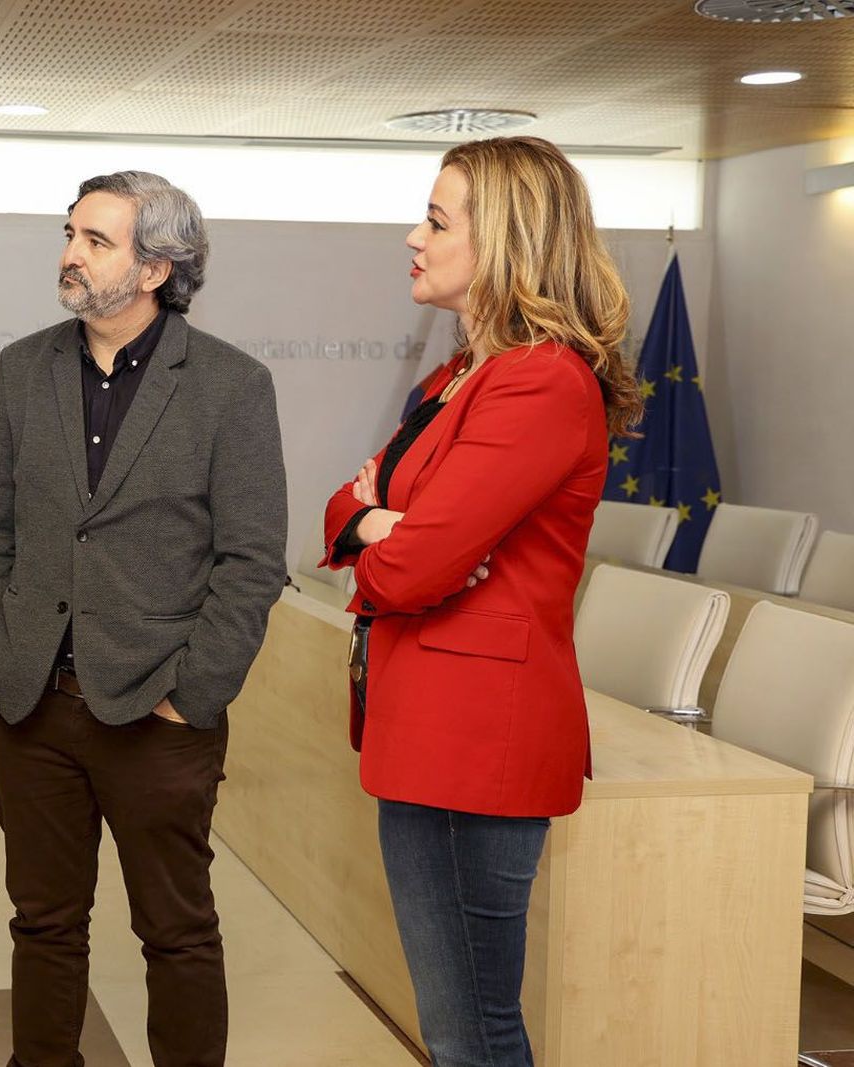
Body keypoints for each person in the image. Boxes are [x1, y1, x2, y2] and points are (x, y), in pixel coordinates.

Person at [322, 136, 643, 1066]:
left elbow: (405, 573)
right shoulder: (461, 373)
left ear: (503, 239)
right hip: (428, 730)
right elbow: (344, 508)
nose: (412, 238)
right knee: (456, 1026)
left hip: (477, 741)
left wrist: (392, 540)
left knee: (473, 1031)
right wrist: (379, 523)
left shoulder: (539, 379)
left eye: (435, 220)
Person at [0, 170, 288, 1067]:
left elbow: (252, 561)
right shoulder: (23, 368)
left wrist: (193, 695)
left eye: (95, 240)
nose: (71, 253)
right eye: (70, 234)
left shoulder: (231, 385)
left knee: (176, 932)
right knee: (43, 922)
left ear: (155, 268)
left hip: (158, 714)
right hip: (30, 705)